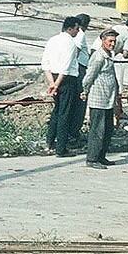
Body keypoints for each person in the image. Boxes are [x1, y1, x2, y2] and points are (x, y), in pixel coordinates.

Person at [43, 17, 82, 158]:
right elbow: (65, 68)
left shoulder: (52, 40)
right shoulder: (70, 43)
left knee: (57, 111)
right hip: (66, 80)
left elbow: (45, 63)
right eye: (77, 28)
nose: (78, 31)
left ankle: (49, 142)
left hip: (53, 77)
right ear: (70, 28)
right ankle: (61, 148)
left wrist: (51, 83)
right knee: (65, 114)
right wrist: (57, 85)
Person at [81, 29, 119, 169]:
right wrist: (84, 91)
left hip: (108, 100)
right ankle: (92, 159)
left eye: (114, 41)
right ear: (103, 40)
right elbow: (88, 77)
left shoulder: (109, 55)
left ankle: (101, 156)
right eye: (110, 41)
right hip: (99, 99)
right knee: (97, 130)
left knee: (108, 129)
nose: (112, 44)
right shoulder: (98, 57)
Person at [91, 17, 128, 92]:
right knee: (111, 83)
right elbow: (125, 54)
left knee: (92, 75)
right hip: (104, 56)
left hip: (94, 49)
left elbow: (118, 45)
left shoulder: (117, 27)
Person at [71, 13, 92, 143]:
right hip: (80, 68)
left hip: (76, 68)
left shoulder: (72, 34)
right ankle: (74, 132)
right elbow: (77, 50)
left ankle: (72, 131)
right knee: (80, 101)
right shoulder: (80, 34)